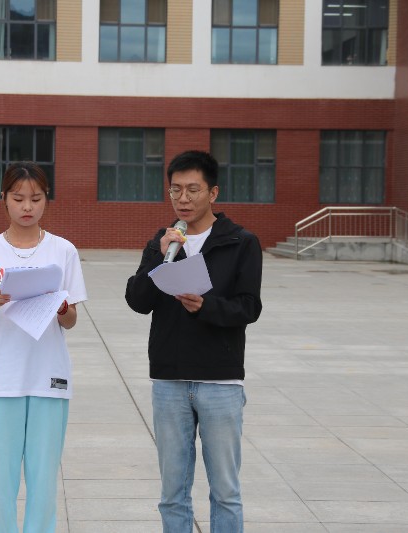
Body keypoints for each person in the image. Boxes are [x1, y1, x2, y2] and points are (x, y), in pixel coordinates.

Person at [125, 150, 263, 533]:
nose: (182, 199)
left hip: (220, 381)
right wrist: (160, 256)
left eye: (192, 190)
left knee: (225, 492)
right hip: (169, 380)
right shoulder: (163, 241)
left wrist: (206, 306)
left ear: (213, 192)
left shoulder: (240, 242)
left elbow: (249, 307)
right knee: (172, 493)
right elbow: (138, 300)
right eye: (175, 190)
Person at [0, 161, 87, 533]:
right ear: (4, 198)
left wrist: (61, 307)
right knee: (0, 483)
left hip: (49, 376)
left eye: (35, 198)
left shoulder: (63, 251)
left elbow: (71, 320)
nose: (27, 207)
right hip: (1, 379)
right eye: (18, 198)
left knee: (44, 481)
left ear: (47, 199)